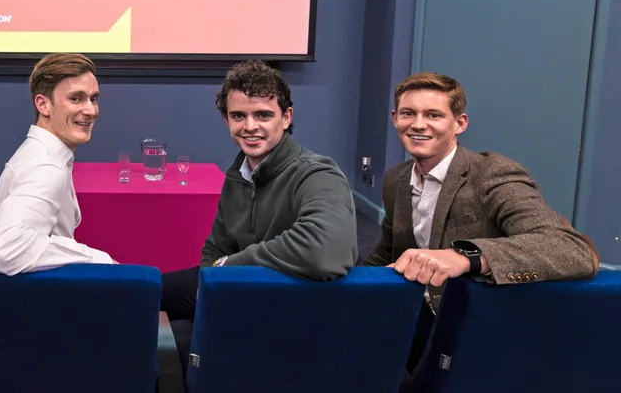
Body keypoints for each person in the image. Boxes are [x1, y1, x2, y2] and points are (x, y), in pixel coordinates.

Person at [362, 72, 599, 383]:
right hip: (420, 321)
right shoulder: (395, 178)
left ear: (459, 124)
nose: (418, 124)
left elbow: (573, 249)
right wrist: (350, 292)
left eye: (433, 115)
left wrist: (466, 257)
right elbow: (388, 248)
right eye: (409, 113)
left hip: (482, 331)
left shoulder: (491, 174)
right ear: (395, 118)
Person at [161, 60, 358, 366]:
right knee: (145, 292)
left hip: (292, 302)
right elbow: (216, 248)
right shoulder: (238, 173)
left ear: (286, 117)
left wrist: (230, 267)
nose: (249, 127)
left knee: (179, 344)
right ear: (226, 118)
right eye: (238, 115)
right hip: (243, 288)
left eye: (263, 115)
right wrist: (214, 287)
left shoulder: (317, 173)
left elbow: (326, 250)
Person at [0, 52, 114, 275]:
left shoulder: (43, 153)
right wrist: (100, 259)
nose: (91, 110)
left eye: (93, 99)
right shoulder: (46, 167)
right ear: (43, 105)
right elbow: (2, 252)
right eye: (76, 98)